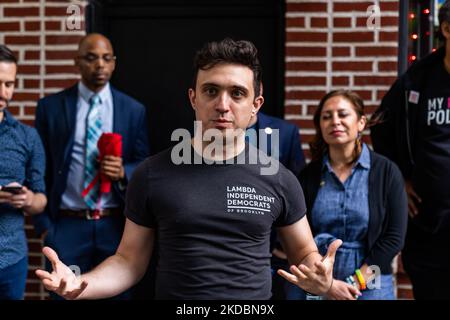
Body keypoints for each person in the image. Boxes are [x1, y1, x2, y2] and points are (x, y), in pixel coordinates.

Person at [35, 38, 341, 300]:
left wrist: (320, 277)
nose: (223, 104)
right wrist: (82, 284)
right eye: (211, 91)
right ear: (193, 98)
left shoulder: (279, 178)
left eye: (237, 93)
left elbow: (303, 253)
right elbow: (129, 261)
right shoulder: (152, 174)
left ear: (255, 105)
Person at [33, 33, 149, 298]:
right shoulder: (50, 108)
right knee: (64, 293)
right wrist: (46, 228)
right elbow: (39, 168)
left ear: (114, 63)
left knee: (117, 294)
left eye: (107, 59)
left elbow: (144, 165)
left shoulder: (132, 110)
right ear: (77, 61)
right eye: (91, 58)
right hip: (66, 226)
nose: (100, 65)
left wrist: (123, 172)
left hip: (115, 226)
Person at [371, 1, 450, 300]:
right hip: (429, 222)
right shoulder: (417, 79)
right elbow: (380, 126)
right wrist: (399, 179)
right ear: (446, 29)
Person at [298, 90, 407, 300]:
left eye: (343, 114)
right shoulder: (308, 176)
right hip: (319, 279)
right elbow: (299, 236)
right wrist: (327, 286)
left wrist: (356, 282)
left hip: (372, 278)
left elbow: (394, 238)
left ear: (361, 123)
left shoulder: (386, 172)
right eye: (327, 116)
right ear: (320, 126)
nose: (335, 121)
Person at [0, 44, 47, 299]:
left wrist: (28, 199)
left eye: (9, 84)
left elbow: (41, 198)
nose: (3, 92)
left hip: (12, 260)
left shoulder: (27, 137)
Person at [246, 110, 306, 299]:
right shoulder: (210, 129)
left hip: (274, 248)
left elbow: (297, 189)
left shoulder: (285, 132)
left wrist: (282, 244)